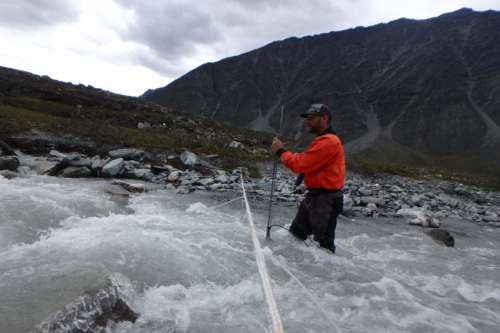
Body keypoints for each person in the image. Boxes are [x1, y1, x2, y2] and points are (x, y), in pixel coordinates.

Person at [271, 103, 345, 253]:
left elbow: (298, 165)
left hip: (325, 200)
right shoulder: (324, 141)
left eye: (311, 118)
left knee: (324, 246)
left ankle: (327, 274)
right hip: (315, 198)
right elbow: (308, 164)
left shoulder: (328, 141)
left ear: (324, 119)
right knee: (295, 235)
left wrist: (280, 151)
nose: (307, 121)